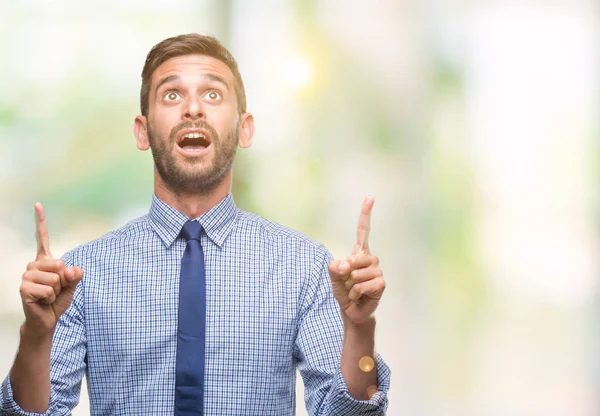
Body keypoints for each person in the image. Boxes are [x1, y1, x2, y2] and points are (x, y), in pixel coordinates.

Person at [0, 34, 390, 415]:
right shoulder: (81, 274)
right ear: (142, 130)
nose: (193, 109)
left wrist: (360, 329)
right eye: (171, 95)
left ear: (245, 128)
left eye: (213, 94)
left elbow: (350, 413)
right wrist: (35, 334)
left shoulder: (303, 264)